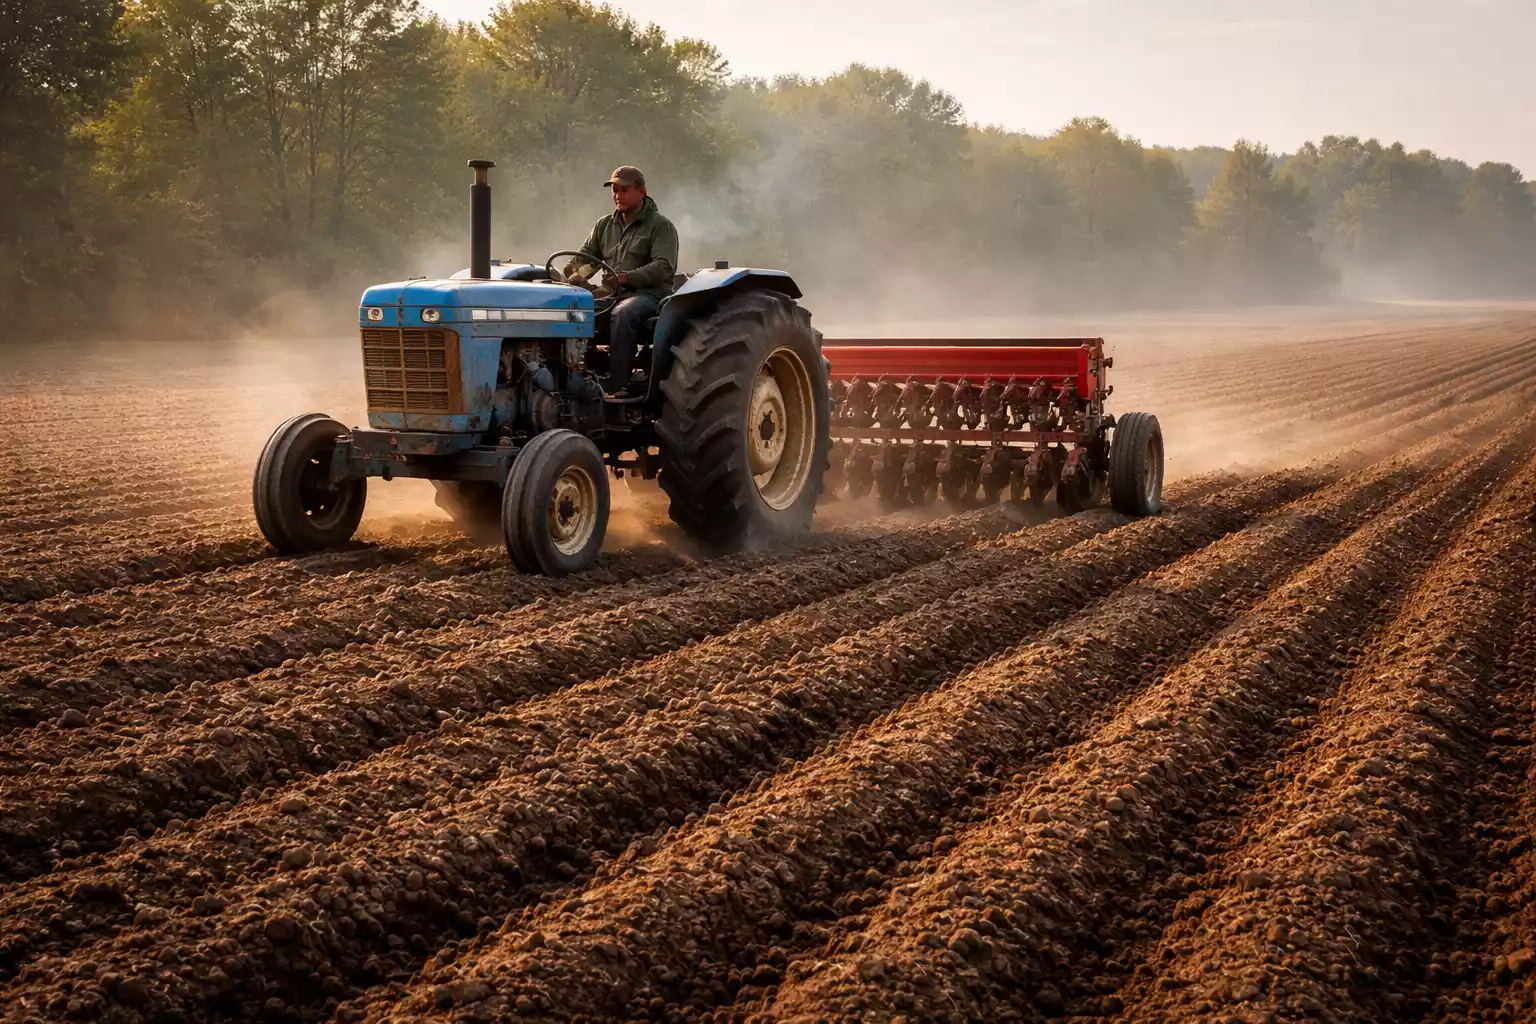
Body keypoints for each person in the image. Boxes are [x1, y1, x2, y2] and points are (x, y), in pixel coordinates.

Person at [563, 165, 680, 393]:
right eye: (614, 190)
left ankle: (618, 384)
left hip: (649, 295)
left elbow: (664, 266)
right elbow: (586, 258)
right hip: (612, 293)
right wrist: (574, 273)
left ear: (641, 191)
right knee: (574, 309)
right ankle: (575, 376)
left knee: (623, 314)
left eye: (624, 190)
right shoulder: (605, 225)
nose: (618, 196)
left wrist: (626, 278)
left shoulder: (660, 226)